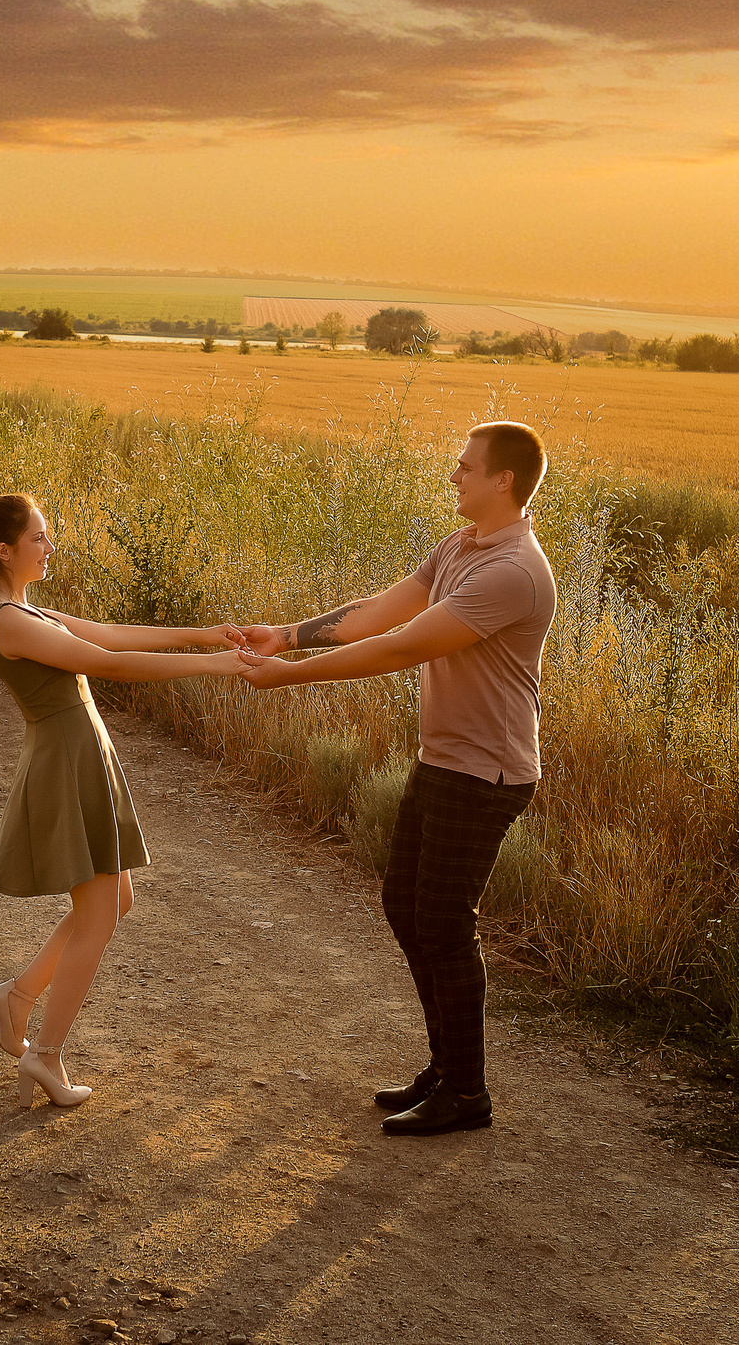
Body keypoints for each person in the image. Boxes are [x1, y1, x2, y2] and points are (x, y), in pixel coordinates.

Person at [0, 493, 259, 1108]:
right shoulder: (7, 620)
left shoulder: (23, 610)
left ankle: (19, 996)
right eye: (40, 537)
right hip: (64, 761)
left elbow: (107, 633)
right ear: (5, 551)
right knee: (100, 913)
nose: (49, 546)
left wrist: (205, 632)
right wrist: (216, 663)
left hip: (81, 754)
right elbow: (109, 663)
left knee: (117, 898)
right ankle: (45, 1055)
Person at [241, 422, 556, 1137]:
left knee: (444, 922)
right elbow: (381, 612)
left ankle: (466, 1091)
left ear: (503, 480)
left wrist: (291, 676)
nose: (454, 475)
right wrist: (285, 635)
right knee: (405, 906)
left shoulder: (513, 570)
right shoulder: (460, 547)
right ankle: (446, 1068)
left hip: (487, 771)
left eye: (465, 467)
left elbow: (400, 645)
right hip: (445, 759)